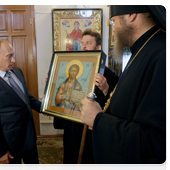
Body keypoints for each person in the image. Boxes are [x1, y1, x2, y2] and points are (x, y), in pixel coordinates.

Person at [80, 5, 167, 170]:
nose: (114, 30)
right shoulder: (144, 48)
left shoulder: (163, 54)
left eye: (113, 23)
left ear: (132, 14)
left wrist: (99, 120)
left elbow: (157, 144)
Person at [53, 28, 118, 170]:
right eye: (82, 43)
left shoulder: (107, 72)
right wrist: (53, 85)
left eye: (88, 43)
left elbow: (118, 98)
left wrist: (106, 88)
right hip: (72, 124)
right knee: (71, 157)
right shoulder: (69, 69)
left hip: (92, 128)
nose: (83, 46)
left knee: (90, 160)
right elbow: (62, 93)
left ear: (98, 47)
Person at [0, 39, 41, 170]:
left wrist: (46, 108)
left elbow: (24, 98)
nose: (13, 60)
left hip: (29, 137)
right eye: (9, 56)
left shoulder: (17, 71)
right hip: (9, 145)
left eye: (13, 55)